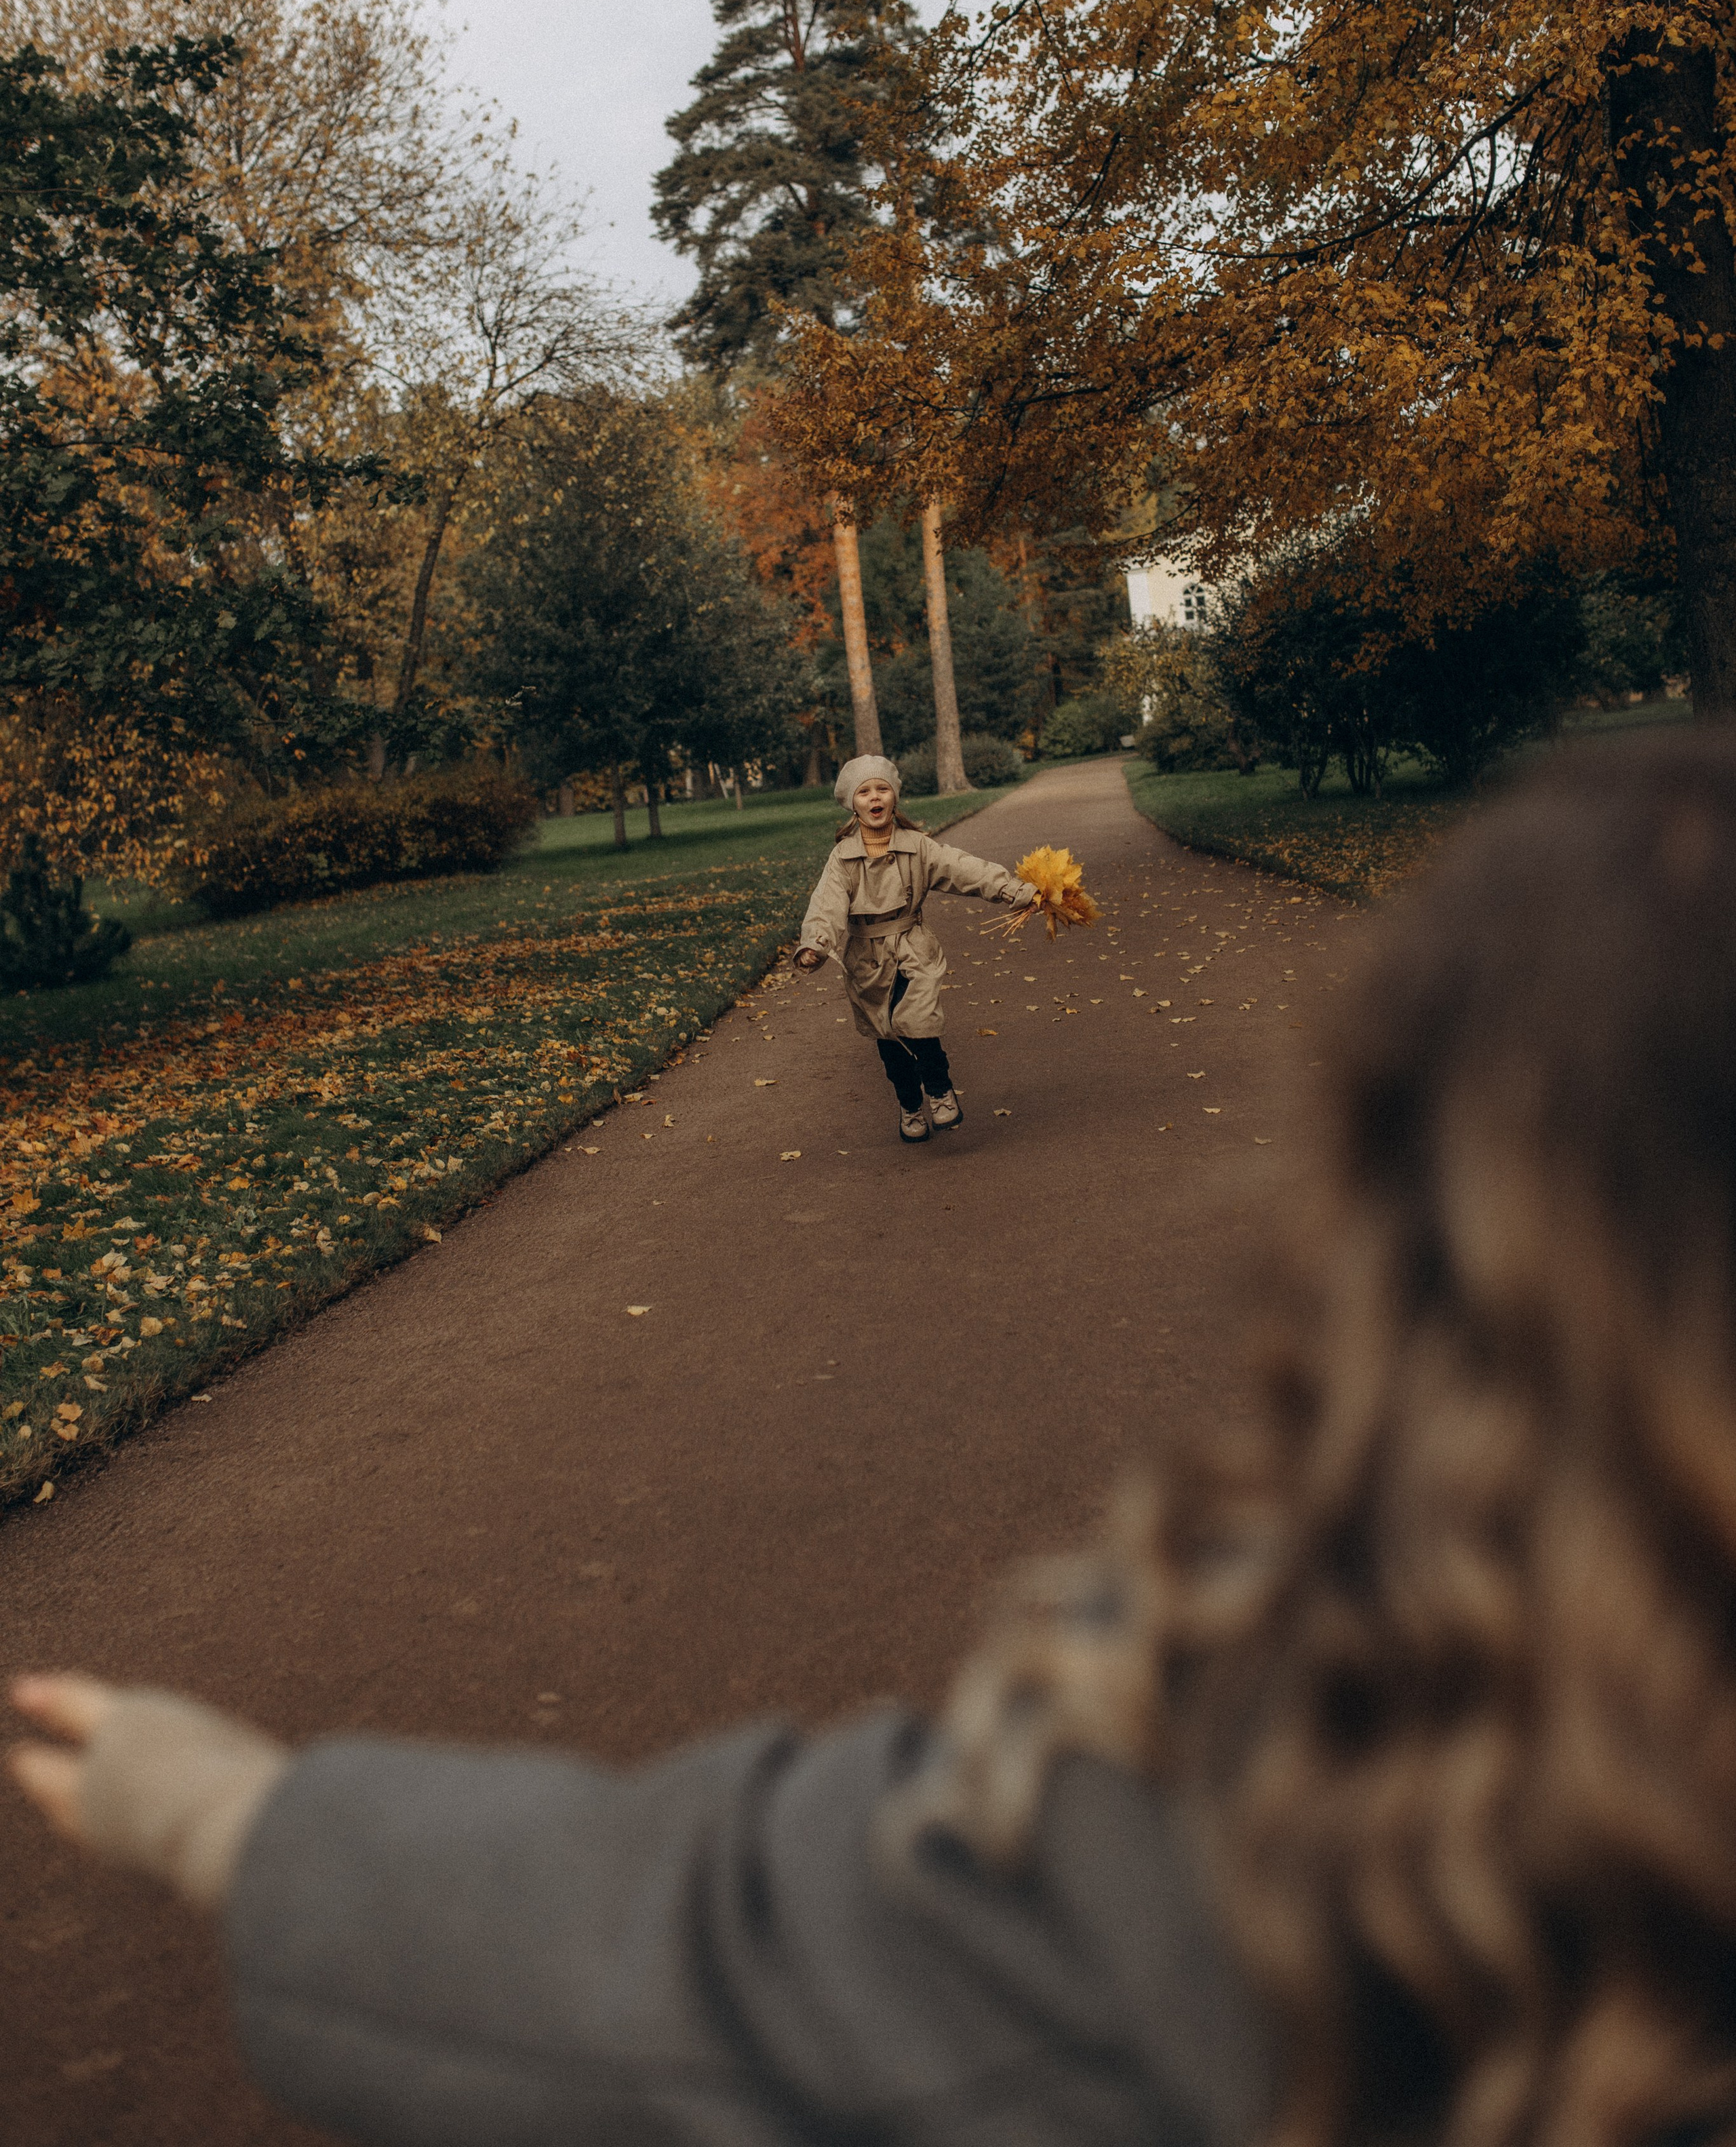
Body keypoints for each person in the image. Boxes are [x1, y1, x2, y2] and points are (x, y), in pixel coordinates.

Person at [14, 728, 1736, 2147]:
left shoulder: (1290, 1805)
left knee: (919, 1036)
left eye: (870, 800)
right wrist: (817, 940)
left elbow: (713, 1939)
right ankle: (918, 1089)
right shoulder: (847, 863)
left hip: (917, 978)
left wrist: (228, 1813)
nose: (865, 817)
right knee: (895, 1046)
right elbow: (822, 910)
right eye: (853, 807)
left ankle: (927, 1084)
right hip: (870, 978)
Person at [791, 753, 1040, 1143]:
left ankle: (940, 1091)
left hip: (913, 949)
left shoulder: (918, 847)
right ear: (852, 803)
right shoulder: (842, 858)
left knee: (920, 1024)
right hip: (867, 960)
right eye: (865, 791)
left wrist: (1011, 889)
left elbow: (963, 868)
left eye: (883, 789)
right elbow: (827, 904)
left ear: (894, 797)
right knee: (889, 1039)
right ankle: (909, 1105)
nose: (875, 797)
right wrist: (816, 942)